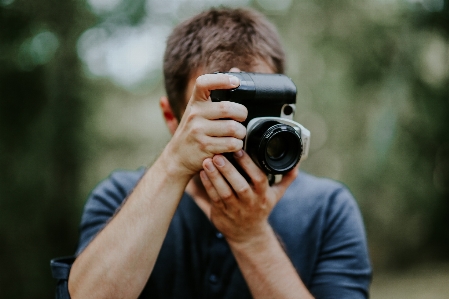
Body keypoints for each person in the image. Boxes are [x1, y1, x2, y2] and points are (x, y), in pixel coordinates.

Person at [66, 7, 371, 299]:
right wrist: (173, 164)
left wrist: (251, 237)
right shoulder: (119, 197)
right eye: (219, 116)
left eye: (260, 112)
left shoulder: (328, 209)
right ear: (173, 119)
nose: (241, 133)